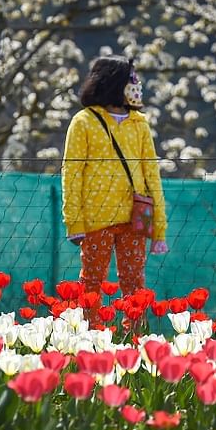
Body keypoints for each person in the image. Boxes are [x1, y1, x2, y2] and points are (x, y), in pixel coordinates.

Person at [61, 56, 169, 297]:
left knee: (134, 285)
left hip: (135, 219)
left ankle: (134, 334)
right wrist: (74, 222)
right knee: (91, 283)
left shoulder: (139, 124)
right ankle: (90, 333)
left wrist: (159, 229)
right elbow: (72, 174)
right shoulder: (83, 122)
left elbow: (151, 174)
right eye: (130, 79)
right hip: (95, 221)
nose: (136, 84)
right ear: (113, 83)